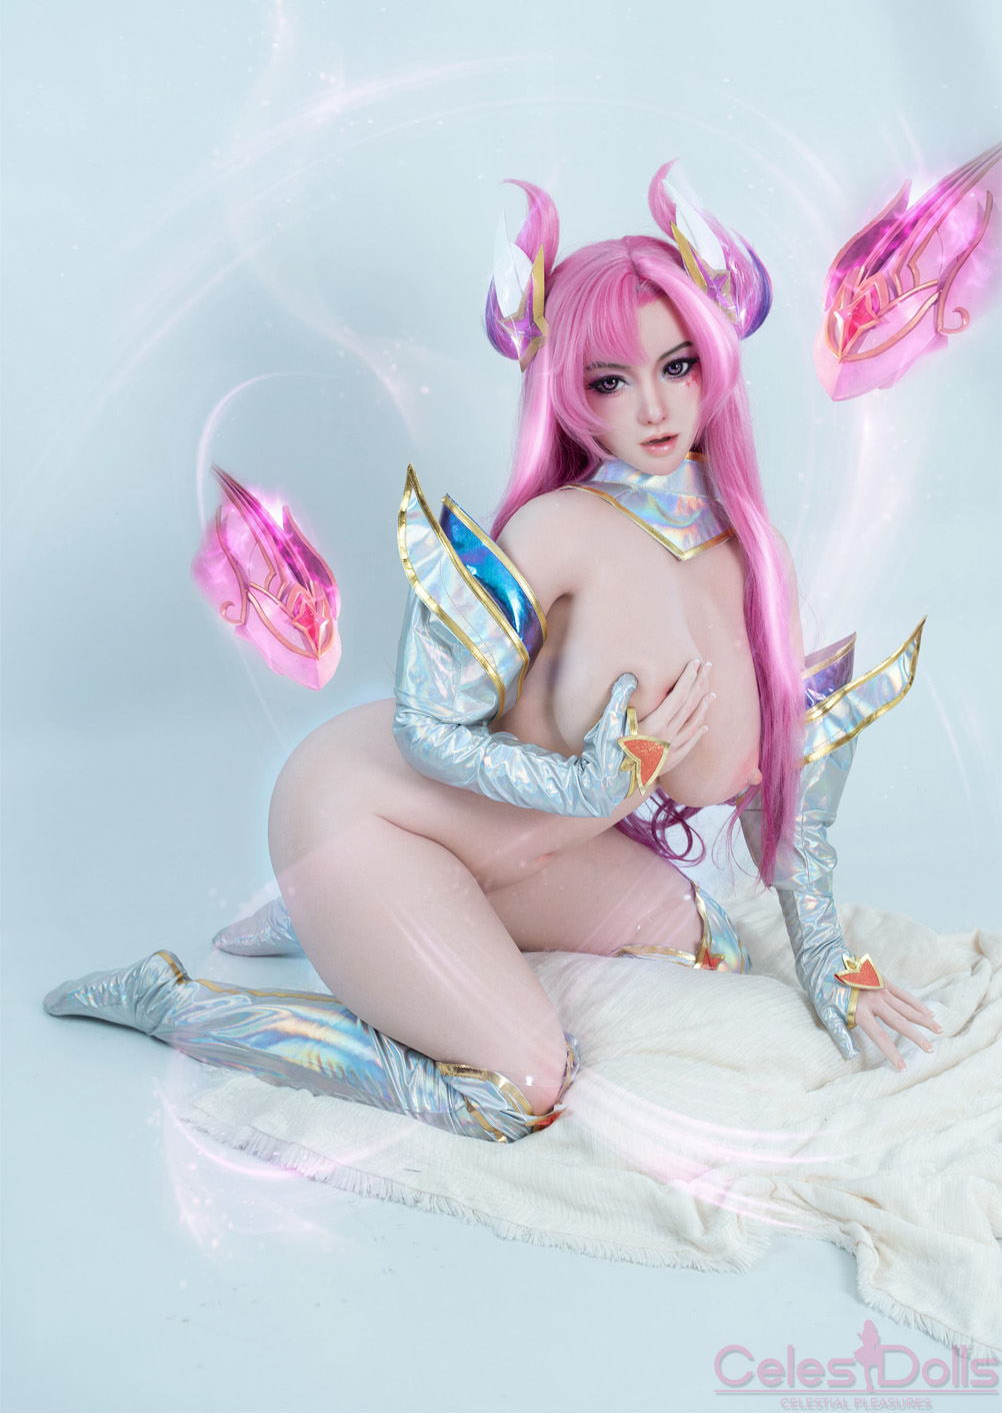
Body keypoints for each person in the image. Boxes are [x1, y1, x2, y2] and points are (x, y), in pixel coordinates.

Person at [44, 165, 940, 1144]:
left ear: (714, 362)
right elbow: (424, 729)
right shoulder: (556, 532)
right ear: (570, 391)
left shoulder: (755, 560)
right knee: (520, 1088)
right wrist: (586, 783)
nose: (653, 407)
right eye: (611, 380)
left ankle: (343, 918)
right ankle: (182, 999)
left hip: (518, 850)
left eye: (677, 365)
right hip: (368, 812)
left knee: (712, 945)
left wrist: (827, 960)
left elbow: (788, 784)